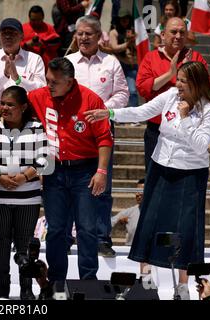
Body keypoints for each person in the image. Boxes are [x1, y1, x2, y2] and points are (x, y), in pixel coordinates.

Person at [85, 61, 210, 300]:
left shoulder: (209, 109)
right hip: (160, 168)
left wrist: (186, 117)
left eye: (183, 81)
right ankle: (146, 278)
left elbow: (201, 145)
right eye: (177, 79)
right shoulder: (170, 95)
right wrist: (110, 113)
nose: (177, 84)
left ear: (196, 84)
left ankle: (183, 285)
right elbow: (142, 111)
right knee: (150, 220)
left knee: (185, 229)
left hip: (189, 174)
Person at [28, 57, 113, 283]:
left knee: (86, 228)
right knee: (55, 229)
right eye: (47, 80)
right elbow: (15, 101)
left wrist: (101, 172)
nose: (49, 85)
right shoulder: (39, 96)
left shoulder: (91, 100)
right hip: (53, 171)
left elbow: (105, 138)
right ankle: (55, 283)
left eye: (54, 82)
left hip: (85, 171)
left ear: (70, 81)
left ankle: (88, 281)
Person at [0, 17, 46, 251]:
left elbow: (39, 91)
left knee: (23, 177)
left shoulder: (34, 59)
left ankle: (23, 238)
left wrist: (16, 76)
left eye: (12, 33)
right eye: (4, 33)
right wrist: (5, 73)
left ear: (21, 36)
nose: (8, 36)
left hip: (25, 126)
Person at [66, 14, 129, 257]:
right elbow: (59, 93)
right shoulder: (68, 62)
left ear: (98, 36)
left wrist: (104, 111)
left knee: (102, 186)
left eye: (88, 33)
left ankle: (102, 238)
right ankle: (72, 236)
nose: (83, 38)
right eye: (80, 33)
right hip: (72, 132)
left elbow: (123, 93)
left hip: (102, 130)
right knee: (72, 187)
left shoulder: (111, 62)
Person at [0, 86, 48, 300]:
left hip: (29, 197)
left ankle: (26, 289)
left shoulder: (36, 127)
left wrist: (25, 176)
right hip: (0, 196)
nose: (5, 107)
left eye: (10, 104)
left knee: (25, 243)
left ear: (23, 107)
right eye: (2, 103)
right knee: (1, 242)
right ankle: (2, 288)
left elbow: (44, 158)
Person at [136, 17, 209, 171]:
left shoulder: (196, 58)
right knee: (153, 178)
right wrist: (170, 74)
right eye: (173, 32)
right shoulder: (151, 58)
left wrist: (190, 73)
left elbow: (207, 88)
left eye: (182, 32)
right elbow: (143, 88)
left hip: (187, 129)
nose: (178, 36)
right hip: (156, 129)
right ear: (162, 35)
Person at [109, 8, 139, 109]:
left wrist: (133, 40)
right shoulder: (114, 32)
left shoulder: (135, 31)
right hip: (120, 64)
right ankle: (119, 114)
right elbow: (114, 48)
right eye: (122, 19)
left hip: (133, 64)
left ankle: (134, 116)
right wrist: (127, 43)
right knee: (118, 91)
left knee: (132, 90)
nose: (124, 21)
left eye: (126, 19)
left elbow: (140, 47)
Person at [21, 5, 60, 71]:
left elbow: (57, 43)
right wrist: (26, 45)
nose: (36, 23)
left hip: (46, 67)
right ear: (29, 17)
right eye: (33, 20)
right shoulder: (22, 28)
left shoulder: (49, 28)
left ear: (43, 17)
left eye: (39, 20)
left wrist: (43, 44)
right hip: (27, 66)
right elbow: (15, 46)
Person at [111, 178, 144, 246]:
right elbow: (110, 223)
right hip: (131, 250)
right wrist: (119, 223)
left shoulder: (157, 213)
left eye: (141, 191)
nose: (137, 194)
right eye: (137, 191)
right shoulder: (129, 212)